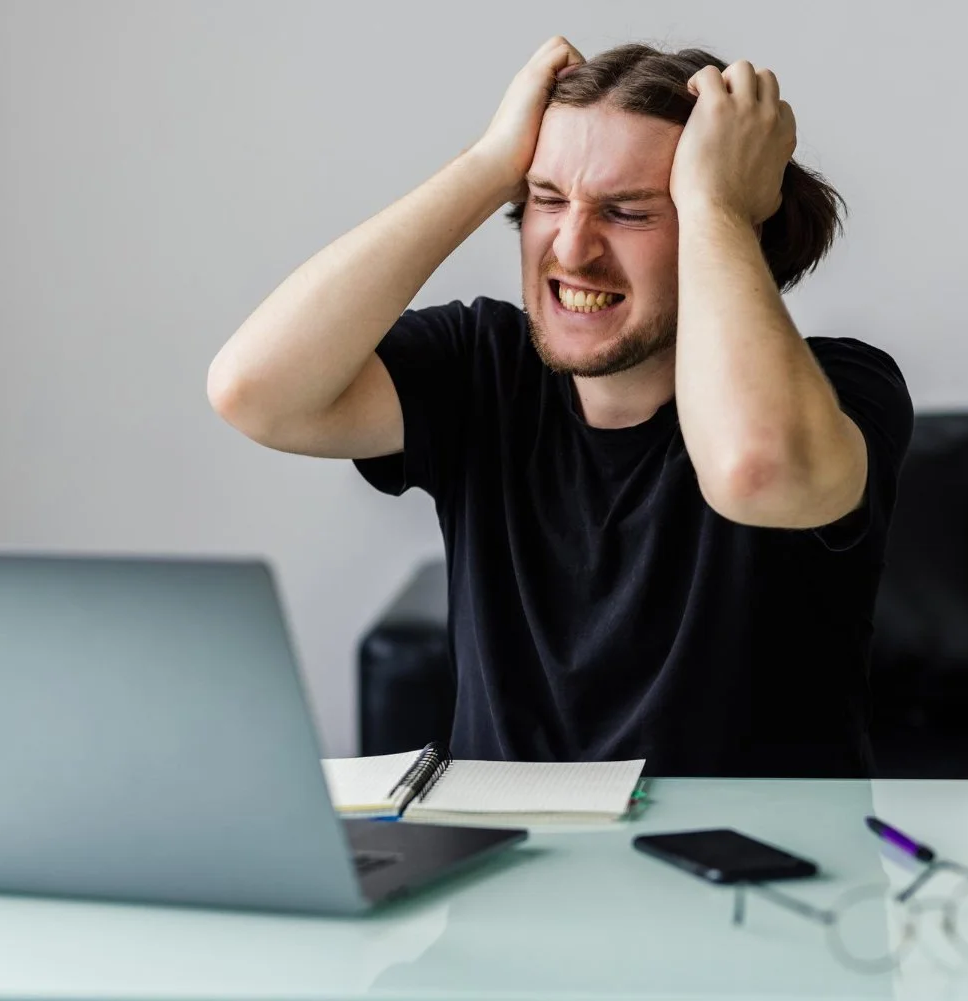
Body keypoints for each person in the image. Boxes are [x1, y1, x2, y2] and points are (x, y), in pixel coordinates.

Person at [207, 38, 913, 778]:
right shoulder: (481, 366)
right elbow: (253, 390)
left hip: (757, 881)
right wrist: (488, 164)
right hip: (507, 876)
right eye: (545, 199)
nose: (572, 249)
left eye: (630, 212)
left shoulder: (842, 386)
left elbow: (754, 469)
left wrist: (716, 202)